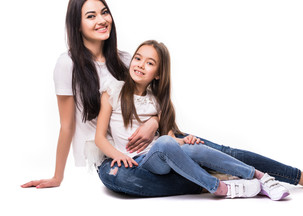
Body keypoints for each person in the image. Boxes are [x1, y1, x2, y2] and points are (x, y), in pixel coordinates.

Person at [21, 0, 303, 196]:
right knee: (119, 181)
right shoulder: (68, 65)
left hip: (160, 140)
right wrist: (56, 176)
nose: (102, 19)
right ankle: (222, 179)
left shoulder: (123, 58)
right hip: (117, 159)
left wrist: (153, 123)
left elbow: (155, 97)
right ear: (76, 25)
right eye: (91, 15)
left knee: (223, 149)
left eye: (104, 12)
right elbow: (67, 126)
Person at [94, 40, 292, 200]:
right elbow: (100, 138)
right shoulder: (113, 91)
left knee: (188, 146)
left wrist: (184, 141)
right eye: (138, 58)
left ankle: (259, 176)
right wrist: (118, 156)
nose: (140, 65)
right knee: (165, 144)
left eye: (150, 63)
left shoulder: (157, 102)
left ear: (158, 74)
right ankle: (220, 187)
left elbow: (168, 137)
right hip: (142, 163)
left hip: (161, 156)